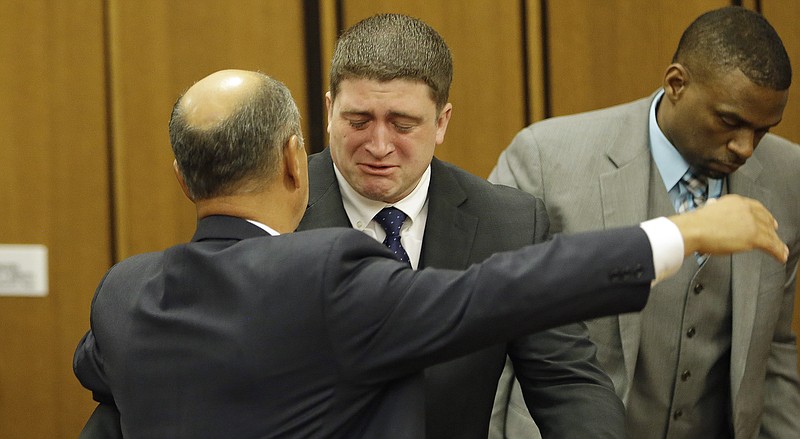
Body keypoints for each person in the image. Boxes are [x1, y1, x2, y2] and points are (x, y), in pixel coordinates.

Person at [73, 69, 786, 439]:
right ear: (298, 158)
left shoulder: (123, 294)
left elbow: (99, 375)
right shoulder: (327, 272)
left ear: (180, 177)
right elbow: (501, 291)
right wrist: (681, 233)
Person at [299, 13, 621, 438]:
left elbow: (568, 382)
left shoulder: (509, 225)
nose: (378, 146)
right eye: (358, 121)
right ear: (328, 110)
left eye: (403, 125)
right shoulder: (274, 212)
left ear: (442, 122)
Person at [489, 6, 800, 438]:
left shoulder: (789, 176)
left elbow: (775, 349)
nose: (745, 148)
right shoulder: (546, 161)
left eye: (763, 130)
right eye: (729, 121)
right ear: (677, 84)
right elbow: (492, 329)